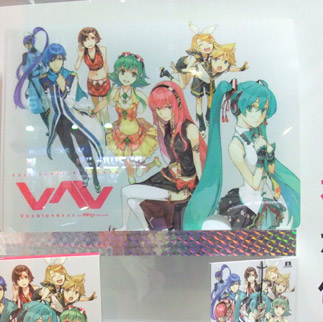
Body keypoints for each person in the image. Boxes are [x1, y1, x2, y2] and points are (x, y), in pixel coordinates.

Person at [183, 80, 300, 230]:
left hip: (267, 199)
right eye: (252, 108)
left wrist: (269, 154)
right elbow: (254, 184)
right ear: (236, 107)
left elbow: (270, 170)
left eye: (263, 110)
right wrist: (261, 155)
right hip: (249, 206)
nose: (259, 115)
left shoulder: (257, 135)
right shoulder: (236, 145)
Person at [111, 81, 206, 230]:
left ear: (177, 103)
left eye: (167, 107)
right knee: (132, 201)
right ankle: (143, 230)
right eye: (158, 109)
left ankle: (125, 227)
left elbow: (197, 161)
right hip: (167, 177)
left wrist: (200, 190)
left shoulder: (190, 129)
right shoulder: (167, 127)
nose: (163, 112)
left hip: (182, 185)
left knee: (126, 193)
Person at [39, 43, 104, 192]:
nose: (57, 63)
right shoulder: (43, 80)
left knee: (86, 150)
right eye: (53, 60)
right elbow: (47, 103)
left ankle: (95, 178)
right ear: (48, 61)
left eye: (60, 59)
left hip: (73, 119)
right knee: (70, 152)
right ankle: (83, 174)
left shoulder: (71, 76)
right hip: (59, 122)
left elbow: (70, 103)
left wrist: (63, 88)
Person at [103, 52, 157, 184]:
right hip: (120, 132)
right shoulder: (115, 92)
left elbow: (153, 105)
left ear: (137, 76)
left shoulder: (137, 93)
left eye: (132, 74)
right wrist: (93, 112)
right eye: (123, 72)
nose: (127, 77)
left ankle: (152, 163)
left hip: (136, 131)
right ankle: (131, 178)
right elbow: (103, 104)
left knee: (139, 168)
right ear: (117, 72)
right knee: (127, 158)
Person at [74, 27, 110, 126]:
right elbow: (76, 67)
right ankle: (99, 127)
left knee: (104, 108)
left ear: (96, 38)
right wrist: (80, 57)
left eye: (92, 38)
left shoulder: (102, 49)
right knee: (96, 107)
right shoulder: (83, 52)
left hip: (104, 80)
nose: (89, 42)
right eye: (85, 40)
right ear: (82, 41)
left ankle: (107, 128)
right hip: (91, 82)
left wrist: (109, 77)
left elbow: (105, 64)